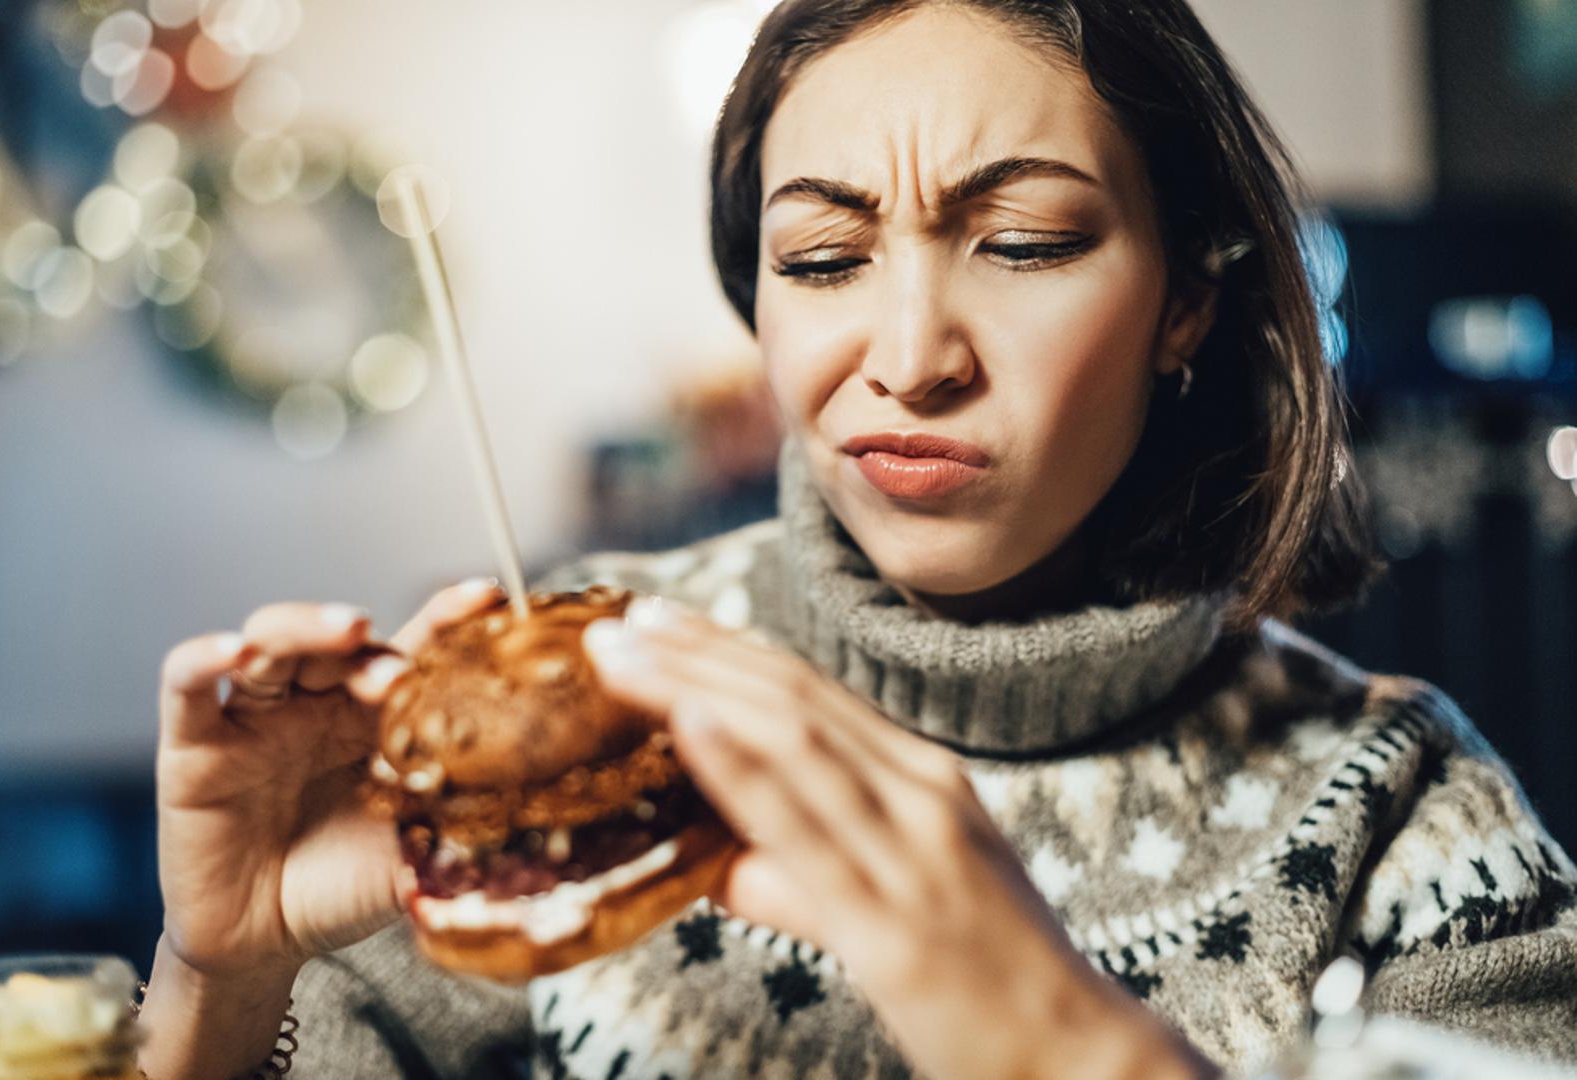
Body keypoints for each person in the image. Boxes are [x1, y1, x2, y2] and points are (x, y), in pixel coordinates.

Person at [135, 1, 1577, 1077]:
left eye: (1022, 244)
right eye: (821, 261)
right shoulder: (570, 724)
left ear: (1186, 304)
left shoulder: (1407, 822)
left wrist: (1068, 1047)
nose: (905, 356)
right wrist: (224, 981)